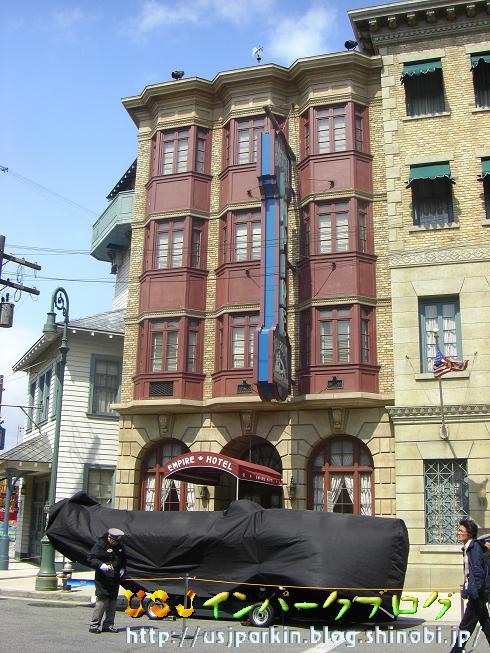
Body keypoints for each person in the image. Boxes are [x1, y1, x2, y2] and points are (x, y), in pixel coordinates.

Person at [449, 519, 490, 653]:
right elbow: (470, 573)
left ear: (469, 533)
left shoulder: (474, 548)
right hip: (477, 592)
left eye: (461, 530)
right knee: (485, 623)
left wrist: (474, 591)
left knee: (466, 625)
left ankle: (456, 651)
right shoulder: (469, 547)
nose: (458, 533)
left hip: (477, 593)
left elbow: (478, 572)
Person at [86, 527, 126, 634]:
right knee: (102, 601)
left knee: (113, 601)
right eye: (114, 541)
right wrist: (101, 565)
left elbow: (123, 559)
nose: (116, 543)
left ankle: (108, 625)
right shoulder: (101, 544)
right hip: (103, 577)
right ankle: (94, 625)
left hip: (115, 577)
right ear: (109, 537)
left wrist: (122, 569)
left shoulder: (119, 545)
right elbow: (90, 558)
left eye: (117, 541)